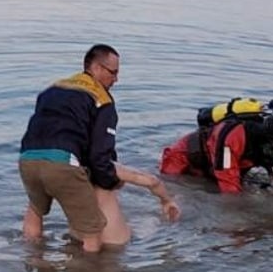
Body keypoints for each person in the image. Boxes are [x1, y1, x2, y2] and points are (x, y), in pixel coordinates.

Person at [20, 44, 179, 250]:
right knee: (93, 232)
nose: (116, 79)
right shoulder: (102, 99)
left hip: (27, 158)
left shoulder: (52, 89)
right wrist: (111, 179)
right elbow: (101, 157)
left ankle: (32, 262)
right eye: (113, 73)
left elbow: (49, 127)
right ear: (95, 68)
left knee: (35, 209)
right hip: (63, 164)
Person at [160, 99, 273, 196]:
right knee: (170, 183)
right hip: (182, 158)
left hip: (224, 161)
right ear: (262, 140)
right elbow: (229, 184)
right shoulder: (232, 139)